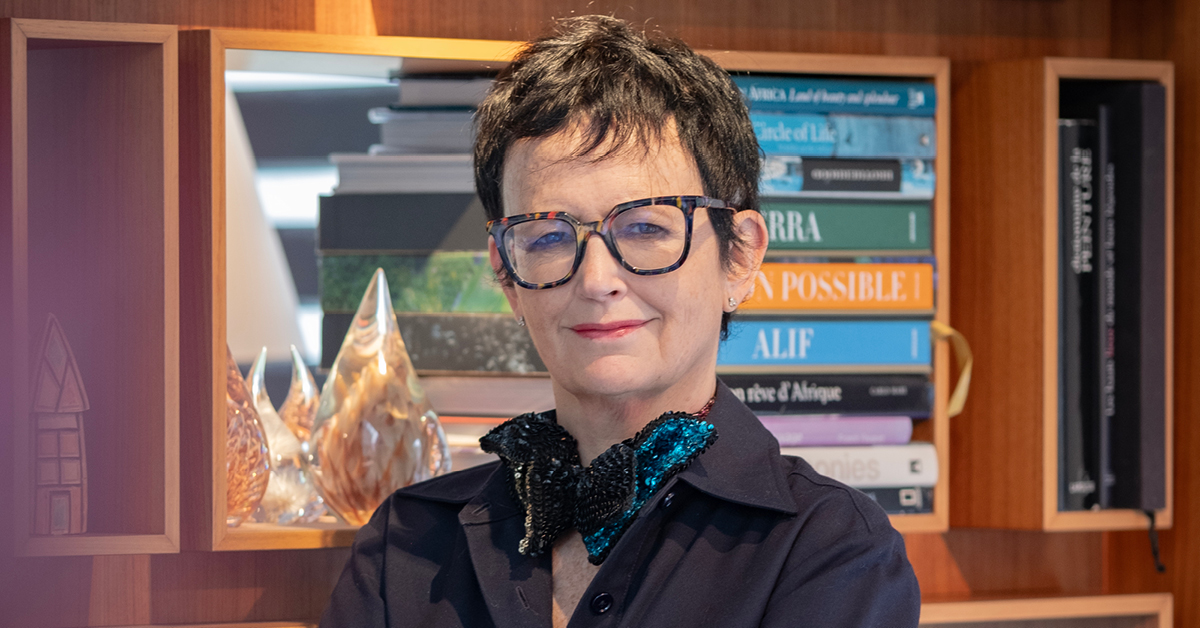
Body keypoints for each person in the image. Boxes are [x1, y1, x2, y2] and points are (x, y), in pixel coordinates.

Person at [320, 15, 920, 628]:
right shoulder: (407, 546)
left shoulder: (831, 551)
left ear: (739, 256)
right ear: (506, 273)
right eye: (549, 236)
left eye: (645, 228)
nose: (597, 279)